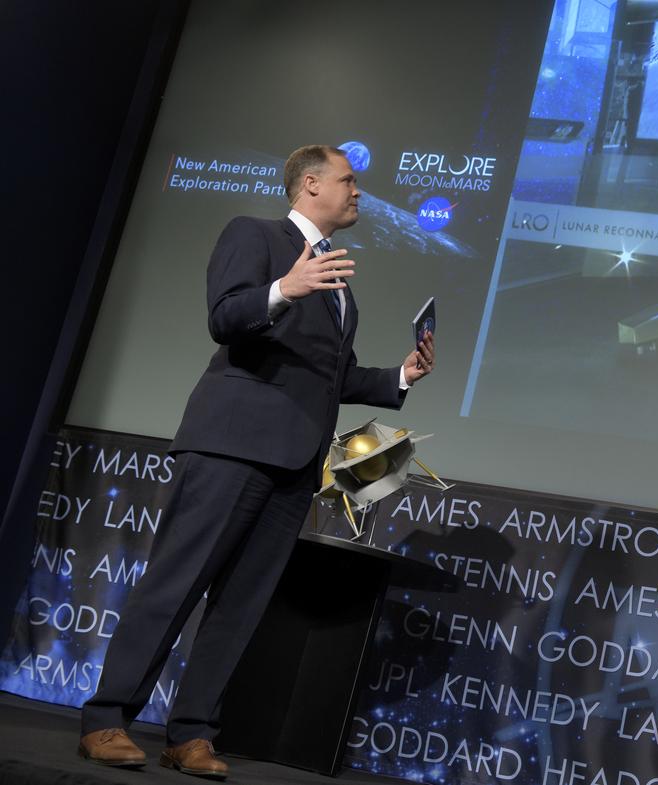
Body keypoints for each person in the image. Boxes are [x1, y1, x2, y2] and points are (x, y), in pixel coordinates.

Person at [78, 145, 436, 777]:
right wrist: (282, 288)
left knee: (241, 605)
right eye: (349, 181)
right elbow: (225, 317)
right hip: (231, 446)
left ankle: (191, 733)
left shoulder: (335, 277)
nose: (358, 193)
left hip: (294, 462)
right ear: (310, 185)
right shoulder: (257, 236)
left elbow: (330, 374)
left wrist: (400, 376)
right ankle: (106, 719)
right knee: (176, 584)